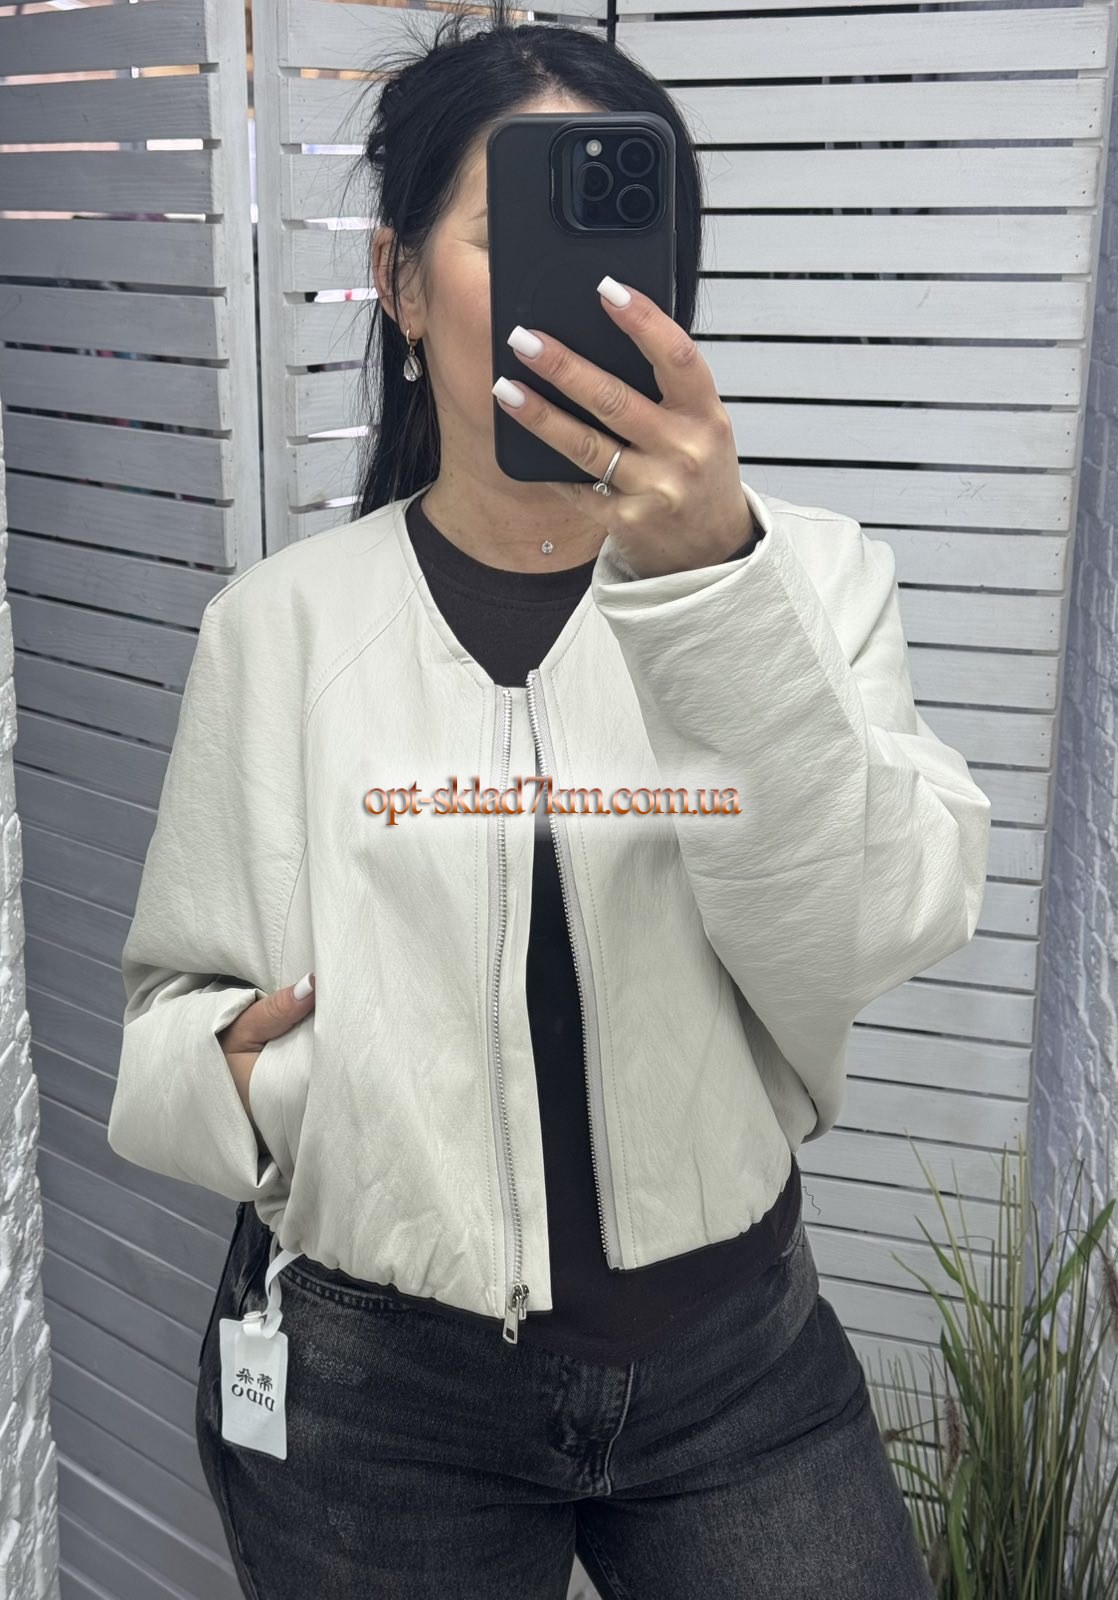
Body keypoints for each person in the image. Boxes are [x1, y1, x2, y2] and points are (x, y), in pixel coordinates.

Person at [106, 5, 991, 1595]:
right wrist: (258, 1081)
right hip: (377, 1394)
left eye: (619, 239)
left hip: (738, 1368)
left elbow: (865, 927)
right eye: (509, 230)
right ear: (396, 283)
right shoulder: (278, 629)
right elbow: (176, 1003)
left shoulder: (808, 580)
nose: (577, 289)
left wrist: (716, 593)